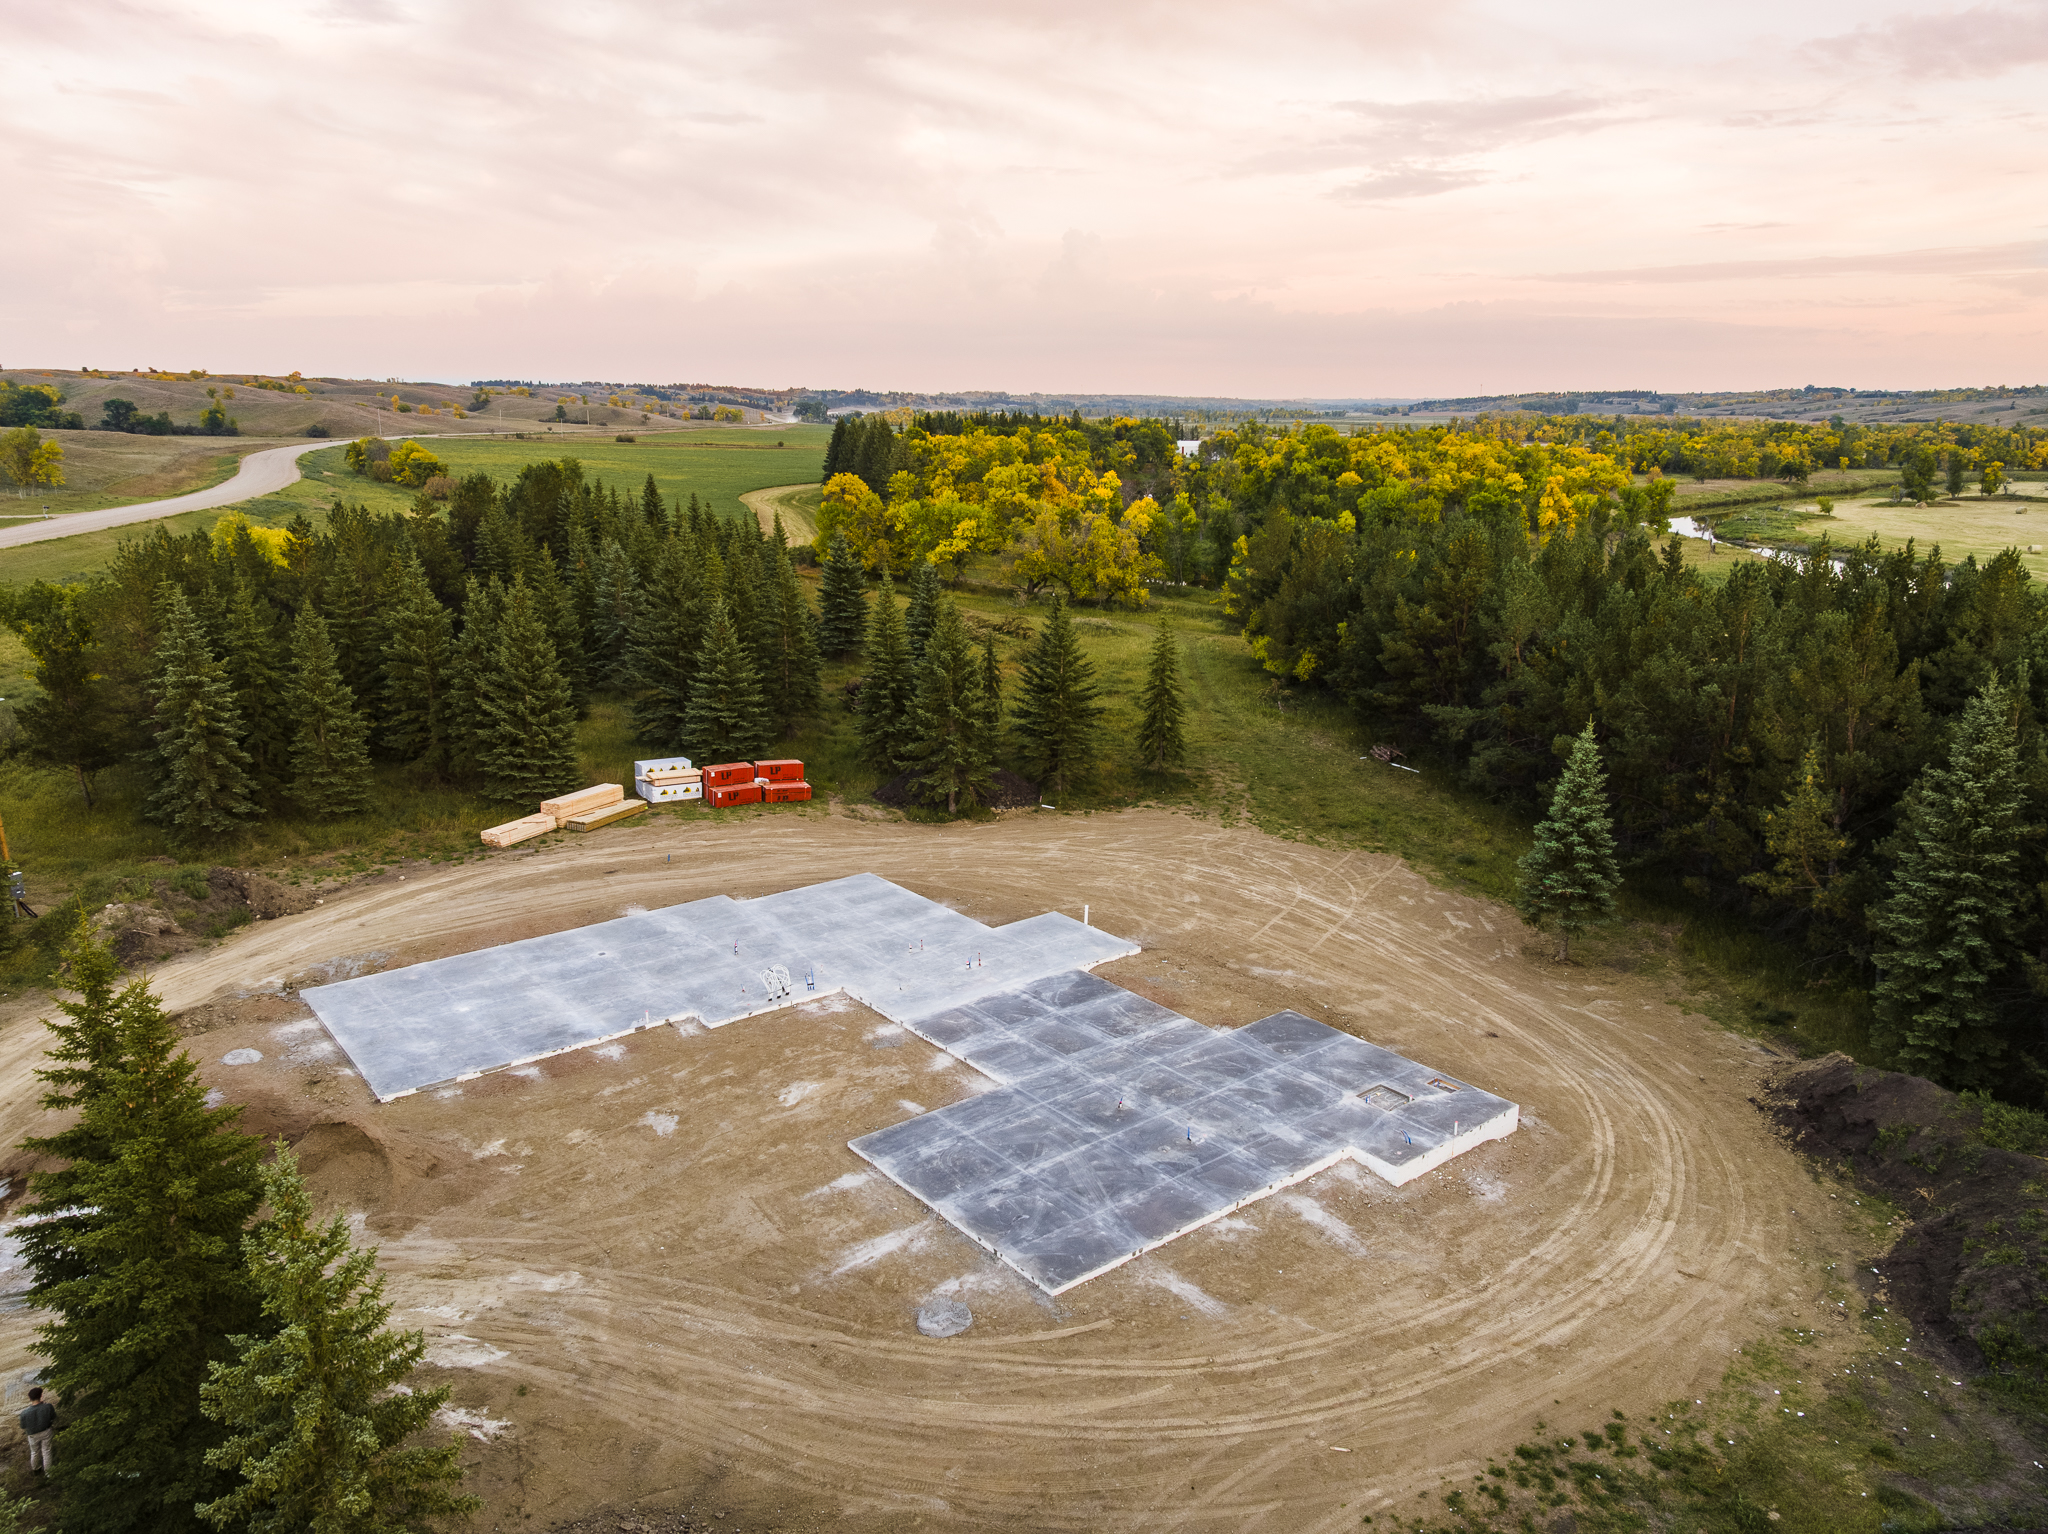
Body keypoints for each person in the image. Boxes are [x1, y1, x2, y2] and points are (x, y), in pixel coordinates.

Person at [18, 1386, 54, 1473]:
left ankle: (36, 1470)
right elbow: (53, 1417)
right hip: (46, 1431)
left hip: (32, 1434)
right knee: (46, 1452)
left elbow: (23, 1426)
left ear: (29, 1398)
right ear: (41, 1396)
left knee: (34, 1452)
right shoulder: (48, 1407)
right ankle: (49, 1473)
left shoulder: (24, 1413)